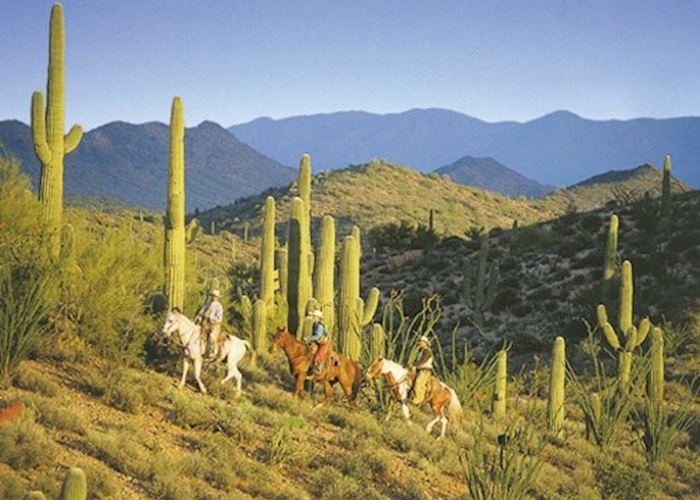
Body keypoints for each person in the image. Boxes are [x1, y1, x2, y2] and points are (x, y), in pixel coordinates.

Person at [196, 289, 224, 360]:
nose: (213, 297)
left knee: (212, 336)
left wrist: (211, 318)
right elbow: (201, 312)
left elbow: (219, 317)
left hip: (214, 324)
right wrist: (199, 317)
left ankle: (211, 351)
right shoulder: (207, 304)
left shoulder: (219, 306)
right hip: (205, 322)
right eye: (212, 296)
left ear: (217, 297)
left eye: (215, 296)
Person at [410, 336, 434, 405]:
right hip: (419, 369)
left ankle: (418, 399)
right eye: (420, 342)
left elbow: (423, 360)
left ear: (425, 343)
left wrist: (414, 364)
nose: (420, 343)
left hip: (425, 370)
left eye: (421, 342)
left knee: (419, 382)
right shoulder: (421, 351)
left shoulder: (427, 351)